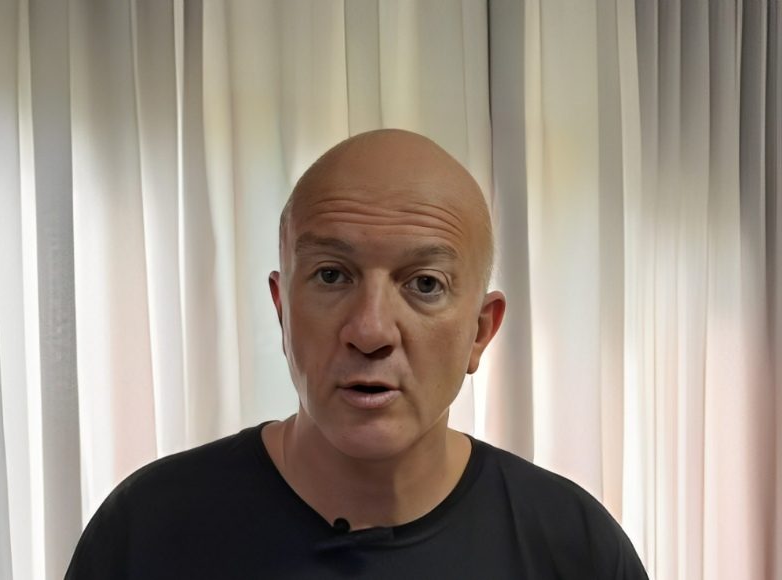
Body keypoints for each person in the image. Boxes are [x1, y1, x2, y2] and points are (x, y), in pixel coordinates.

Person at [66, 129, 648, 579]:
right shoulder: (147, 531)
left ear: (479, 331)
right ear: (282, 309)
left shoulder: (575, 550)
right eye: (331, 275)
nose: (370, 331)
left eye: (425, 284)